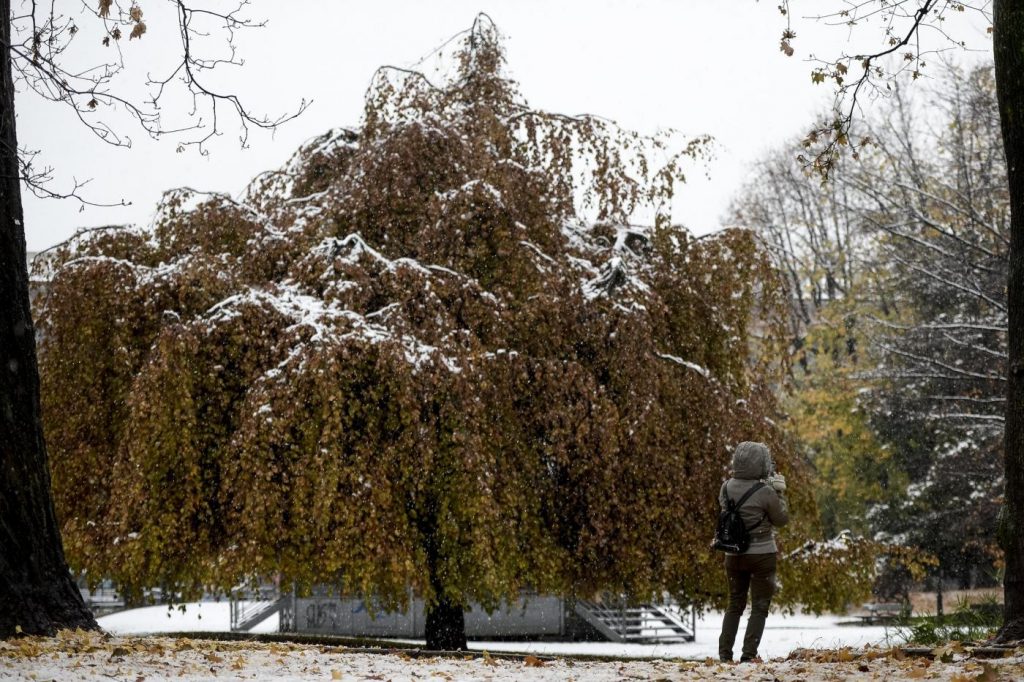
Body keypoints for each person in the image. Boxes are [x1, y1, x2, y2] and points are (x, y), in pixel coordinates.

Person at [717, 441, 788, 663]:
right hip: (762, 555)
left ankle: (724, 654)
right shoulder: (766, 491)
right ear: (761, 464)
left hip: (733, 555)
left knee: (734, 604)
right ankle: (748, 655)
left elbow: (729, 512)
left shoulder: (726, 486)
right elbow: (781, 519)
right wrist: (780, 493)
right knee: (759, 607)